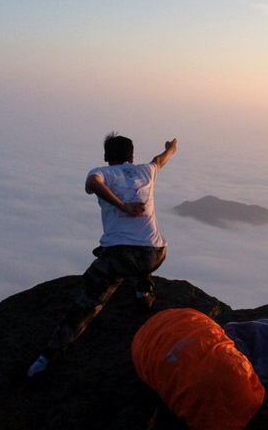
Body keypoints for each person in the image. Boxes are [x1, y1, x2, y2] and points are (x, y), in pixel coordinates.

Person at [27, 132, 178, 377]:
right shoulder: (145, 170)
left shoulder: (103, 172)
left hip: (120, 256)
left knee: (88, 303)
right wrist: (171, 147)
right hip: (156, 252)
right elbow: (161, 159)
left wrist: (122, 206)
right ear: (131, 156)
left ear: (106, 156)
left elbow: (92, 184)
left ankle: (46, 358)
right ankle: (144, 290)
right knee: (140, 253)